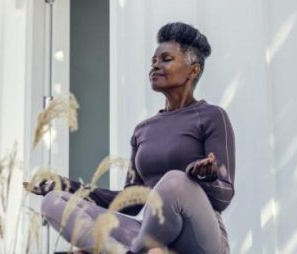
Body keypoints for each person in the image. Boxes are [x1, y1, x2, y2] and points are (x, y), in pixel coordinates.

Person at [24, 22, 235, 254]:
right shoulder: (143, 130)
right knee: (54, 202)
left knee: (175, 181)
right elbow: (131, 201)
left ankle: (133, 251)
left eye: (165, 59)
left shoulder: (212, 116)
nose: (155, 66)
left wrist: (207, 179)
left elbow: (224, 196)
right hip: (152, 235)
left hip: (200, 238)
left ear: (193, 70)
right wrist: (65, 185)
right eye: (153, 61)